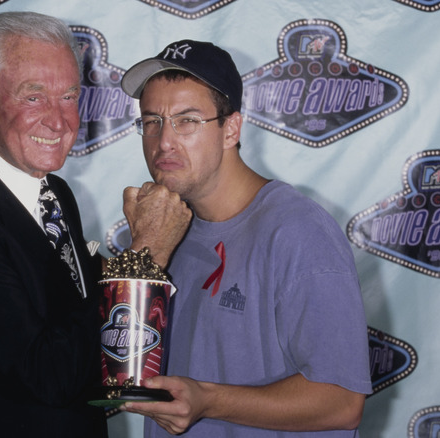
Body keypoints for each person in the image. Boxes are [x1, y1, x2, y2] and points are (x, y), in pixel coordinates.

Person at [0, 13, 190, 437]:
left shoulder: (53, 192)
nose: (59, 120)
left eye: (69, 96)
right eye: (34, 97)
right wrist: (147, 254)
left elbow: (82, 336)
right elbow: (50, 375)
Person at [118, 40, 373, 437]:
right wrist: (142, 254)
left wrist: (209, 400)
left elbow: (342, 402)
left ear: (230, 129)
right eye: (152, 122)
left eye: (186, 121)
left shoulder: (298, 232)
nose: (163, 141)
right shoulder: (167, 230)